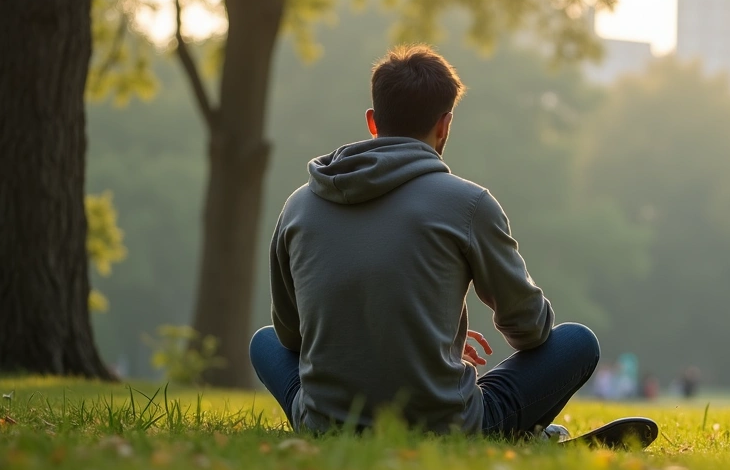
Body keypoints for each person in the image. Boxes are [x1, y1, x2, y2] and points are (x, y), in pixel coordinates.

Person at [248, 45, 599, 438]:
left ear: (372, 122)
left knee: (264, 343)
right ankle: (525, 435)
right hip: (443, 426)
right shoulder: (469, 204)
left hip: (325, 423)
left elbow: (292, 337)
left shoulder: (298, 206)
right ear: (445, 124)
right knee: (576, 343)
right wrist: (438, 348)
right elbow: (530, 329)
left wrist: (427, 342)